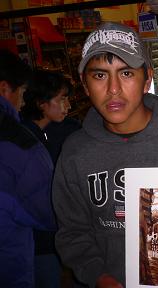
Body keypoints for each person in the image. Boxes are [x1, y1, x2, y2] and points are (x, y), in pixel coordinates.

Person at [52, 22, 158, 288]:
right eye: (99, 75)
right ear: (84, 85)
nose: (113, 89)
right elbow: (72, 231)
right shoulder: (75, 152)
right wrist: (99, 276)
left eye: (126, 73)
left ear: (147, 80)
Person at [0, 49, 57, 287]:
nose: (22, 103)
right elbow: (47, 211)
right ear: (5, 89)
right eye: (21, 92)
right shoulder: (18, 143)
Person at [20, 70, 81, 288]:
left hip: (62, 227)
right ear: (41, 103)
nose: (68, 106)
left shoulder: (67, 131)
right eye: (61, 99)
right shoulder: (22, 139)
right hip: (38, 235)